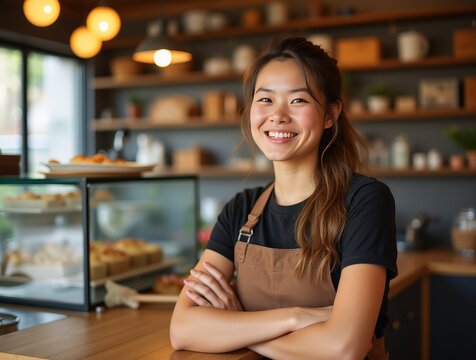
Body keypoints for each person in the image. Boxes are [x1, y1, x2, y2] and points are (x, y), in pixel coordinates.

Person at [170, 35, 397, 360]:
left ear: (331, 114)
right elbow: (183, 328)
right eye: (265, 100)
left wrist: (237, 327)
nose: (277, 115)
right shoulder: (241, 209)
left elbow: (344, 348)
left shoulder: (364, 200)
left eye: (298, 101)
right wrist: (297, 318)